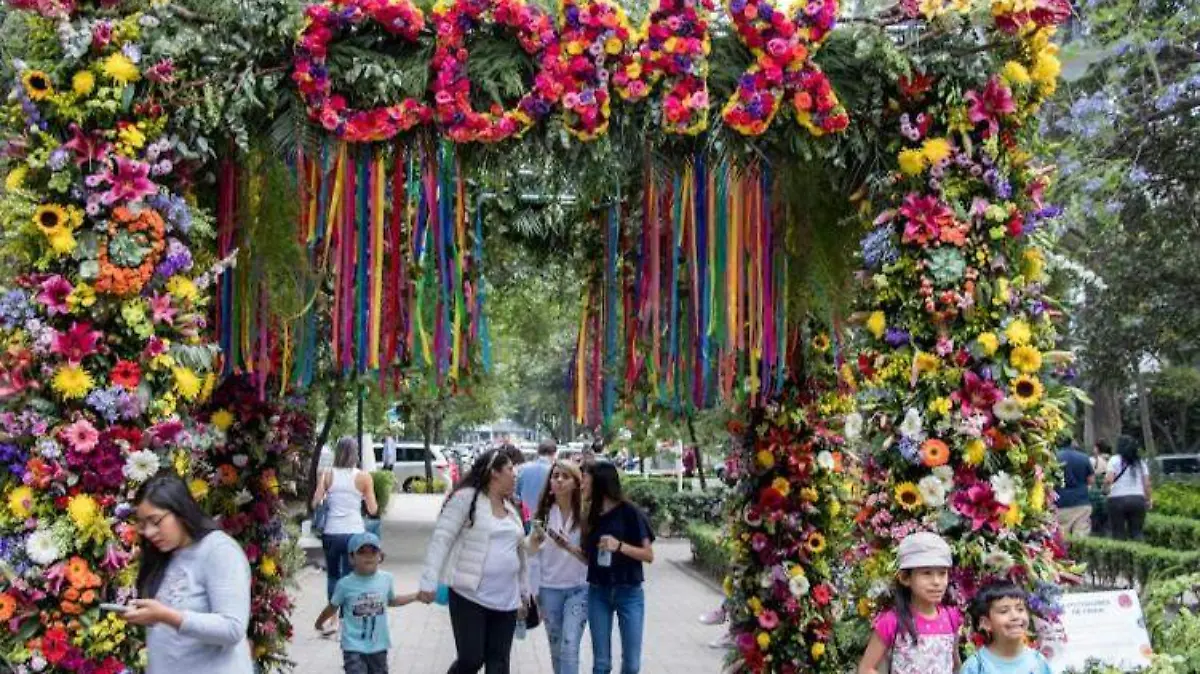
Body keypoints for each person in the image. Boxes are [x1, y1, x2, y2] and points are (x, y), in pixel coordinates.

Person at [124, 474, 253, 674]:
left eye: (155, 521)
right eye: (142, 524)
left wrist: (167, 616)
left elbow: (232, 628)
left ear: (180, 510)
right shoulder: (163, 555)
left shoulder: (219, 551)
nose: (149, 532)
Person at [417, 447, 530, 674]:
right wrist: (428, 582)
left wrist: (524, 593)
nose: (515, 474)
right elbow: (441, 539)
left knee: (498, 664)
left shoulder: (512, 507)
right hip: (470, 595)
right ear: (495, 472)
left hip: (506, 600)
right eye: (510, 469)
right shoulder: (466, 499)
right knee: (471, 659)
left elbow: (520, 554)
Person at [582, 461, 655, 674]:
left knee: (631, 665)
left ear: (599, 482)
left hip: (629, 592)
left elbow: (648, 555)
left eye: (585, 479)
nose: (582, 484)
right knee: (601, 664)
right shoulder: (591, 514)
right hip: (598, 592)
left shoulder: (630, 512)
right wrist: (566, 547)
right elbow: (589, 559)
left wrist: (619, 546)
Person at [857, 532, 961, 674]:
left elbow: (954, 663)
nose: (937, 582)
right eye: (927, 573)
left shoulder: (951, 617)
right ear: (905, 578)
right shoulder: (892, 621)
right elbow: (866, 668)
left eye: (942, 573)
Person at [315, 532, 417, 674]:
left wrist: (416, 596)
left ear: (380, 556)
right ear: (351, 558)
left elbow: (392, 600)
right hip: (353, 647)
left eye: (373, 551)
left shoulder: (386, 579)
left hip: (379, 646)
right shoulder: (344, 584)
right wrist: (319, 623)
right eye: (361, 552)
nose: (368, 556)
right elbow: (332, 607)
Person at [528, 461, 589, 674]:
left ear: (576, 482)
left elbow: (592, 558)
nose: (559, 480)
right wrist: (533, 591)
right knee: (556, 649)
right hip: (549, 589)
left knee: (570, 644)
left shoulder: (585, 514)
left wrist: (569, 547)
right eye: (555, 476)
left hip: (579, 589)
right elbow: (533, 556)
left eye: (565, 476)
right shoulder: (543, 514)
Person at [313, 437, 380, 610]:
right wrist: (365, 497)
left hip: (331, 533)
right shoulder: (364, 477)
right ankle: (347, 618)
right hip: (354, 534)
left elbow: (315, 502)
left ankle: (332, 619)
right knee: (350, 577)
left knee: (333, 577)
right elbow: (373, 510)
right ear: (355, 454)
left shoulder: (326, 474)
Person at [960, 582, 1053, 674]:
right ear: (986, 623)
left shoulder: (1038, 662)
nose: (1015, 616)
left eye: (1020, 609)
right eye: (1004, 611)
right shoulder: (976, 666)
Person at [1105, 435, 1153, 540]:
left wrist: (1105, 490)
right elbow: (1147, 484)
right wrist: (1148, 500)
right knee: (1137, 532)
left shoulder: (1114, 460)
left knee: (1118, 532)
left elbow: (1109, 479)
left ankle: (1121, 554)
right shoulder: (1140, 462)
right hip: (1137, 499)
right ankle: (1139, 551)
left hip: (1117, 500)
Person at [1054, 440, 1094, 536]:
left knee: (1061, 538)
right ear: (1072, 443)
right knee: (1080, 538)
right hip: (1081, 502)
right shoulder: (1084, 457)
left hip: (1060, 503)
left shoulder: (1055, 458)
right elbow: (1091, 480)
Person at [517, 440, 557, 517]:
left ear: (538, 452)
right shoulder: (554, 471)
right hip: (546, 516)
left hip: (525, 515)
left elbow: (516, 493)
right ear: (554, 453)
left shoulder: (522, 469)